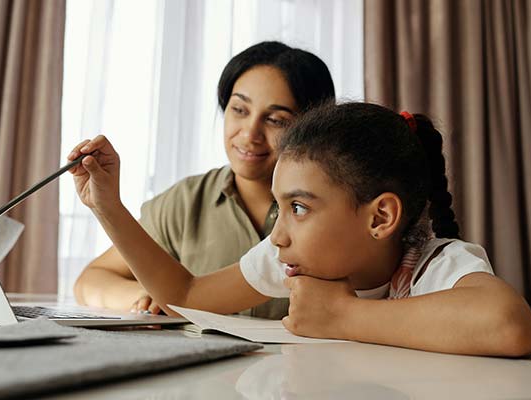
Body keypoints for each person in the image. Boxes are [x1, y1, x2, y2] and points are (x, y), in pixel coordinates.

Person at [68, 102, 531, 356]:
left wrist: (342, 317)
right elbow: (187, 293)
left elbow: (510, 326)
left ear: (380, 218)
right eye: (280, 207)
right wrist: (107, 205)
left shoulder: (437, 263)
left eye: (299, 208)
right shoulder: (289, 259)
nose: (277, 235)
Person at [72, 41, 335, 319]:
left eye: (275, 120)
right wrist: (145, 296)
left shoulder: (332, 211)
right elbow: (92, 280)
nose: (249, 134)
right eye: (240, 110)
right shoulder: (185, 202)